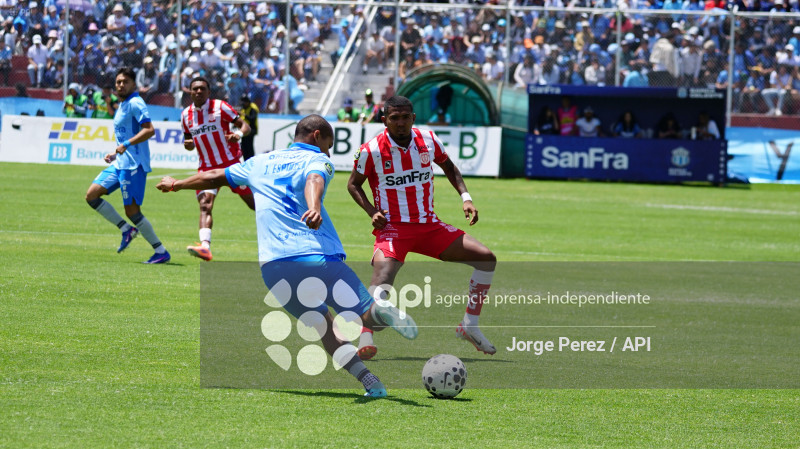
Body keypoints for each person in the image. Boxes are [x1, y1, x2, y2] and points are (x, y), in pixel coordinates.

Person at [156, 115, 418, 398]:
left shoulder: (260, 161)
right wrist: (314, 206)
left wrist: (177, 184)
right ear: (317, 136)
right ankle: (381, 308)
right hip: (315, 259)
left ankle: (371, 383)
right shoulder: (318, 160)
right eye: (328, 145)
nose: (328, 153)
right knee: (369, 320)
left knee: (325, 329)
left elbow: (213, 175)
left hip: (273, 269)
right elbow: (314, 180)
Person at [348, 96, 498, 360]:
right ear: (384, 121)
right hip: (393, 229)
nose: (401, 123)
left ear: (413, 118)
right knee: (382, 279)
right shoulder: (370, 150)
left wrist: (466, 198)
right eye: (394, 118)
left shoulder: (428, 139)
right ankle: (365, 335)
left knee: (486, 259)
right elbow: (353, 184)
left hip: (429, 226)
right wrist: (372, 212)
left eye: (406, 117)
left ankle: (469, 326)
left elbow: (449, 167)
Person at [84, 67, 170, 264]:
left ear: (133, 84)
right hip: (121, 163)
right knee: (91, 195)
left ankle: (160, 251)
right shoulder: (122, 104)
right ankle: (126, 229)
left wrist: (125, 145)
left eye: (125, 82)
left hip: (133, 166)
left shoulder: (136, 103)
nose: (120, 85)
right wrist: (116, 152)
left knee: (132, 211)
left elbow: (149, 130)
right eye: (118, 82)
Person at [181, 76, 256, 262]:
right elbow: (188, 141)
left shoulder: (220, 107)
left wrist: (237, 134)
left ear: (208, 92)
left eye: (202, 88)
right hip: (206, 167)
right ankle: (205, 247)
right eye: (195, 89)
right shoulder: (185, 115)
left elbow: (245, 126)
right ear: (190, 92)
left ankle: (286, 229)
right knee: (205, 204)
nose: (198, 91)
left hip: (231, 164)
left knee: (253, 203)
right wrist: (188, 145)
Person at [239, 94, 259, 160]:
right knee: (244, 147)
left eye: (244, 102)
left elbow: (252, 118)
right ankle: (246, 161)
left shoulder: (253, 108)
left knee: (249, 147)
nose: (243, 104)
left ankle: (251, 161)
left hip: (251, 130)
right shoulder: (243, 108)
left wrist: (243, 114)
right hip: (244, 131)